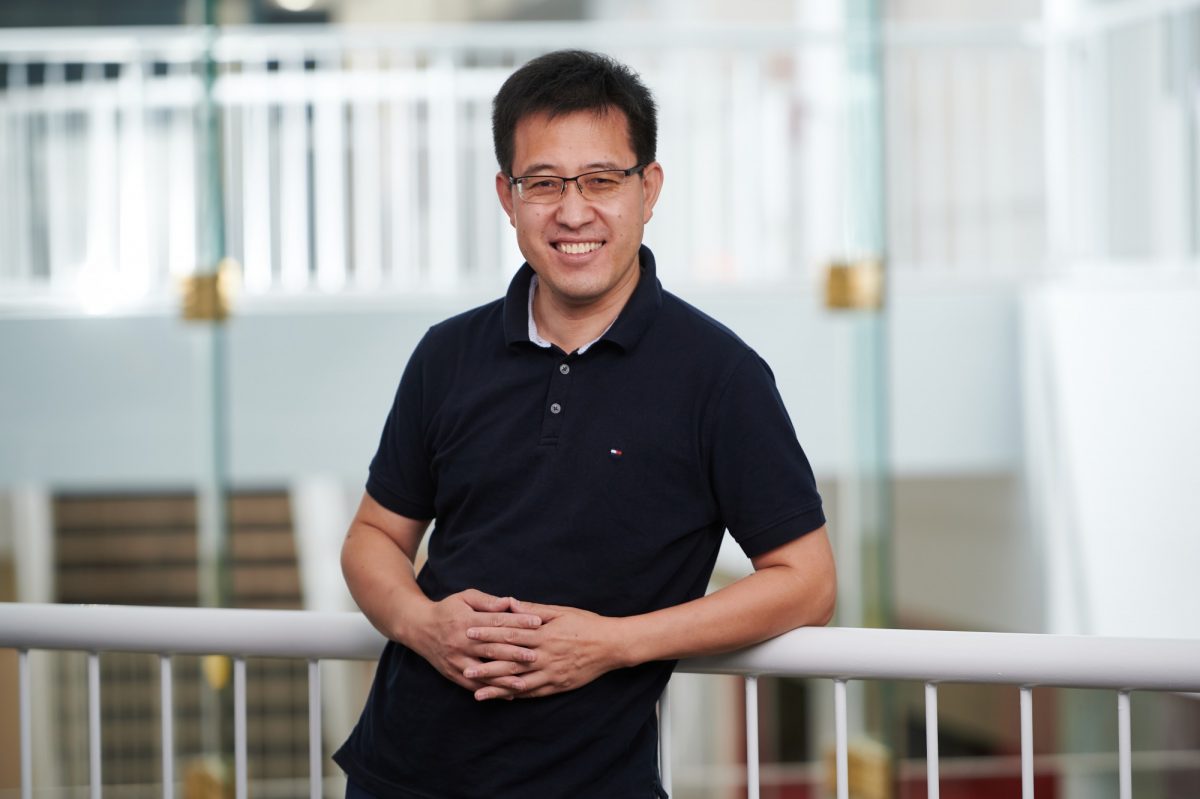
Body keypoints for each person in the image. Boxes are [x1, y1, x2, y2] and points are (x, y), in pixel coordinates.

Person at [333, 49, 836, 799]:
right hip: (399, 774)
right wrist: (419, 620)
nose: (574, 212)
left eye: (602, 180)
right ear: (507, 196)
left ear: (648, 188)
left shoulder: (718, 376)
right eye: (544, 183)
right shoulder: (448, 355)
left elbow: (807, 582)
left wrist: (613, 643)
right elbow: (373, 537)